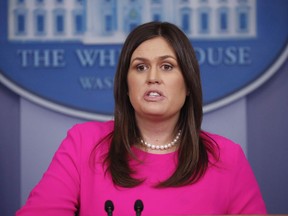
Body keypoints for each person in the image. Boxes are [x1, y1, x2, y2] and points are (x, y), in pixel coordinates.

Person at [16, 21, 266, 216]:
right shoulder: (83, 143)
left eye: (167, 66)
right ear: (126, 85)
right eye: (140, 67)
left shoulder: (226, 156)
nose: (153, 77)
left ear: (189, 84)